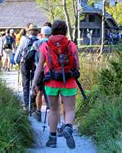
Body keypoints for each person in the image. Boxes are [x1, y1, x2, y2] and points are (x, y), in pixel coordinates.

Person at [32, 20, 80, 149]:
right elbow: (77, 66)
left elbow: (39, 67)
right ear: (65, 31)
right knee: (70, 109)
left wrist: (34, 83)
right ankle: (68, 128)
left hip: (51, 82)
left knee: (53, 110)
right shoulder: (71, 45)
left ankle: (52, 140)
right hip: (68, 82)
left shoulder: (45, 45)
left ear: (52, 30)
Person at [30, 25, 52, 122]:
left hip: (39, 70)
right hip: (50, 70)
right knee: (51, 91)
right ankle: (52, 112)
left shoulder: (36, 43)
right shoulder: (53, 43)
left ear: (42, 34)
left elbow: (31, 56)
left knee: (39, 92)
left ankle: (38, 112)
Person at [17, 24, 40, 112]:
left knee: (25, 83)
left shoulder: (24, 39)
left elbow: (19, 50)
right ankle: (33, 103)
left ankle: (27, 105)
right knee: (35, 83)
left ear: (29, 31)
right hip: (35, 64)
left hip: (25, 62)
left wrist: (17, 60)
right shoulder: (39, 41)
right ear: (37, 32)